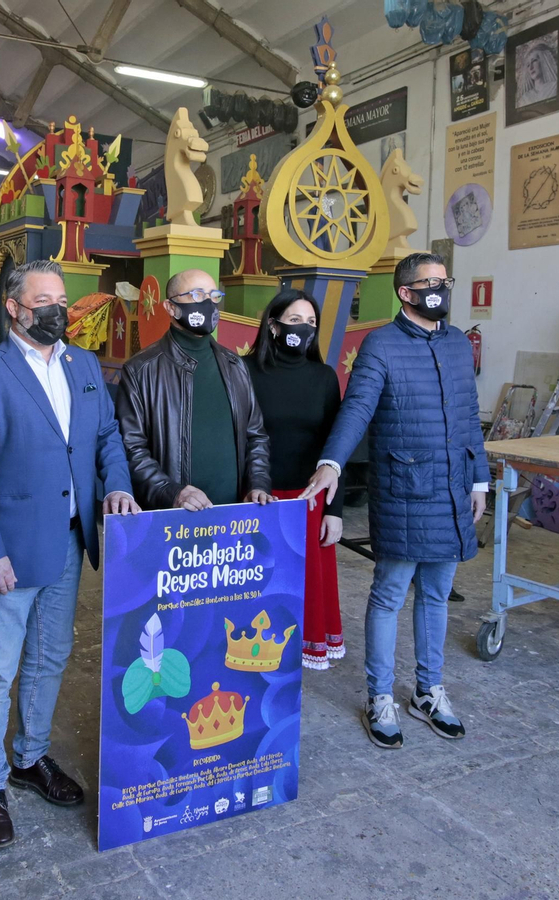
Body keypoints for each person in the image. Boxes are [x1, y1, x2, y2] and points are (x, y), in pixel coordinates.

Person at [0, 260, 140, 850]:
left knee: (50, 657)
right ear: (14, 308)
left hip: (68, 539)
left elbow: (107, 436)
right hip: (9, 552)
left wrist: (117, 484)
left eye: (62, 299)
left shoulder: (84, 365)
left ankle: (29, 758)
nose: (59, 311)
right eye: (45, 302)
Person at [300, 252, 488, 749]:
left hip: (450, 489)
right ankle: (379, 695)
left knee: (436, 594)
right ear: (405, 293)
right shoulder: (380, 345)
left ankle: (428, 691)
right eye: (430, 283)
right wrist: (332, 464)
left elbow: (469, 417)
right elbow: (357, 408)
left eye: (444, 282)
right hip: (404, 490)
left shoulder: (456, 345)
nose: (440, 291)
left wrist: (480, 481)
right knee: (389, 595)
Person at [244, 289, 345, 670]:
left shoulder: (324, 377)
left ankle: (297, 658)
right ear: (273, 325)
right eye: (295, 321)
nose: (304, 330)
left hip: (309, 501)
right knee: (259, 589)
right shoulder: (245, 370)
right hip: (258, 498)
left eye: (311, 323)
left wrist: (333, 512)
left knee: (306, 592)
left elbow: (335, 448)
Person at [116, 268, 272, 510]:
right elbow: (131, 448)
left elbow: (256, 435)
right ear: (170, 307)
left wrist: (258, 483)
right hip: (173, 516)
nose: (208, 304)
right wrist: (172, 492)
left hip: (232, 514)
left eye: (214, 296)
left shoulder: (234, 365)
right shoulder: (141, 369)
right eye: (197, 295)